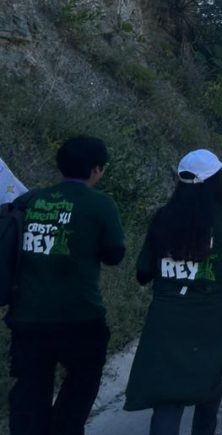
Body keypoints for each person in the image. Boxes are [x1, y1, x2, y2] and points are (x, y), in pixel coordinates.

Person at [123, 149, 222, 434]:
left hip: (167, 318)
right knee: (209, 387)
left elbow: (142, 274)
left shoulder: (163, 217)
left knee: (167, 397)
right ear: (215, 181)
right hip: (212, 319)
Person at [6, 136, 125, 435]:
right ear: (97, 169)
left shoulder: (32, 200)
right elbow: (114, 255)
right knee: (82, 381)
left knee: (30, 389)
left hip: (27, 316)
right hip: (79, 315)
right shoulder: (100, 204)